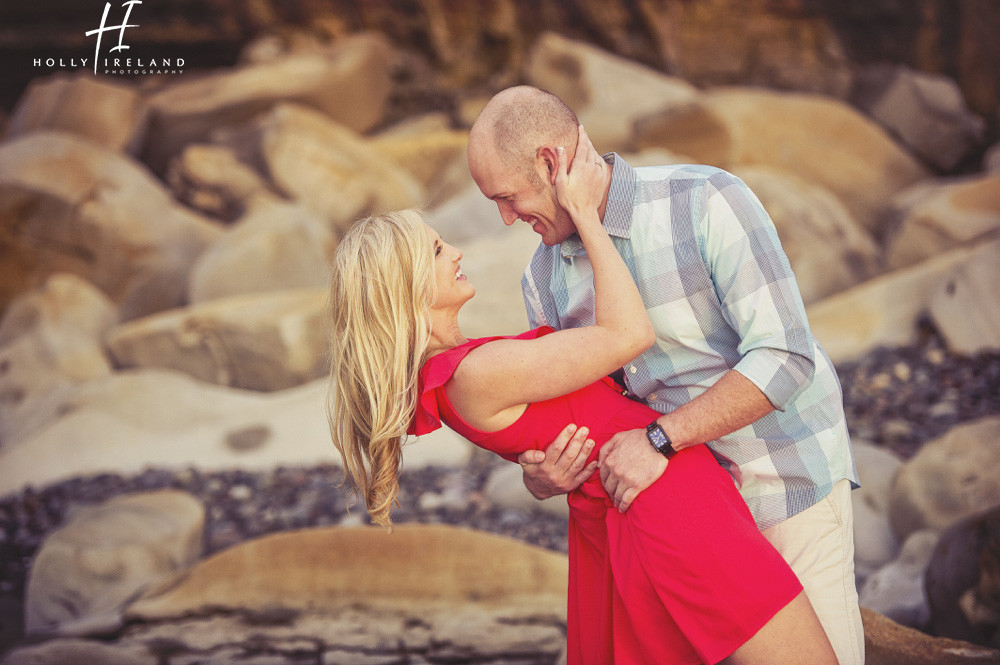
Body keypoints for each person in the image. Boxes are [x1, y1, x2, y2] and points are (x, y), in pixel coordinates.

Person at [328, 127, 838, 665]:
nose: (455, 250)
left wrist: (539, 473)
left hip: (649, 500)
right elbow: (628, 337)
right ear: (407, 286)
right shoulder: (470, 374)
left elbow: (560, 421)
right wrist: (589, 217)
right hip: (672, 503)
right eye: (435, 249)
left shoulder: (461, 375)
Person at [466, 85, 865, 665]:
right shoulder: (543, 277)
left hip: (783, 486)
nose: (505, 219)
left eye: (507, 197)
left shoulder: (705, 200)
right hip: (678, 524)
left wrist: (661, 438)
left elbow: (787, 356)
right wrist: (545, 476)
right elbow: (574, 417)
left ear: (552, 163)